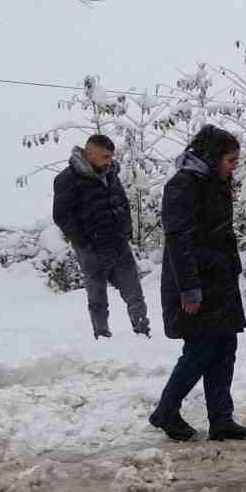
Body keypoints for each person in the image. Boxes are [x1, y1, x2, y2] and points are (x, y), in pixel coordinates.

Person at [149, 126, 246, 442]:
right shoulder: (182, 185)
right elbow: (178, 239)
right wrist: (189, 288)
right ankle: (166, 411)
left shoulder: (213, 182)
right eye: (230, 160)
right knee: (200, 349)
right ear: (212, 157)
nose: (233, 167)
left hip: (220, 281)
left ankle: (222, 420)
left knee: (225, 347)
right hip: (197, 284)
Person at [51, 134, 150, 339]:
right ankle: (102, 336)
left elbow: (121, 202)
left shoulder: (111, 173)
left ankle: (142, 332)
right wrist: (83, 241)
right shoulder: (66, 179)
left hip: (118, 242)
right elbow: (61, 215)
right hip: (90, 247)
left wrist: (126, 230)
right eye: (105, 156)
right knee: (97, 295)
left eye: (111, 156)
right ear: (89, 154)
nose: (110, 160)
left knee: (134, 291)